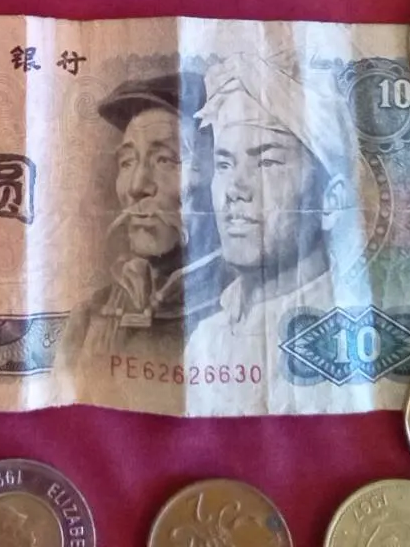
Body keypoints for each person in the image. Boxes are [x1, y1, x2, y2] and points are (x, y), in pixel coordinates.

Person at [183, 52, 361, 410]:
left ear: (330, 200)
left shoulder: (350, 332)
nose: (235, 189)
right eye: (224, 163)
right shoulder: (205, 338)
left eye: (266, 162)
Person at [59, 73, 209, 368]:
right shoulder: (89, 318)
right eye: (127, 162)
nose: (136, 186)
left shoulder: (246, 314)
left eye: (165, 159)